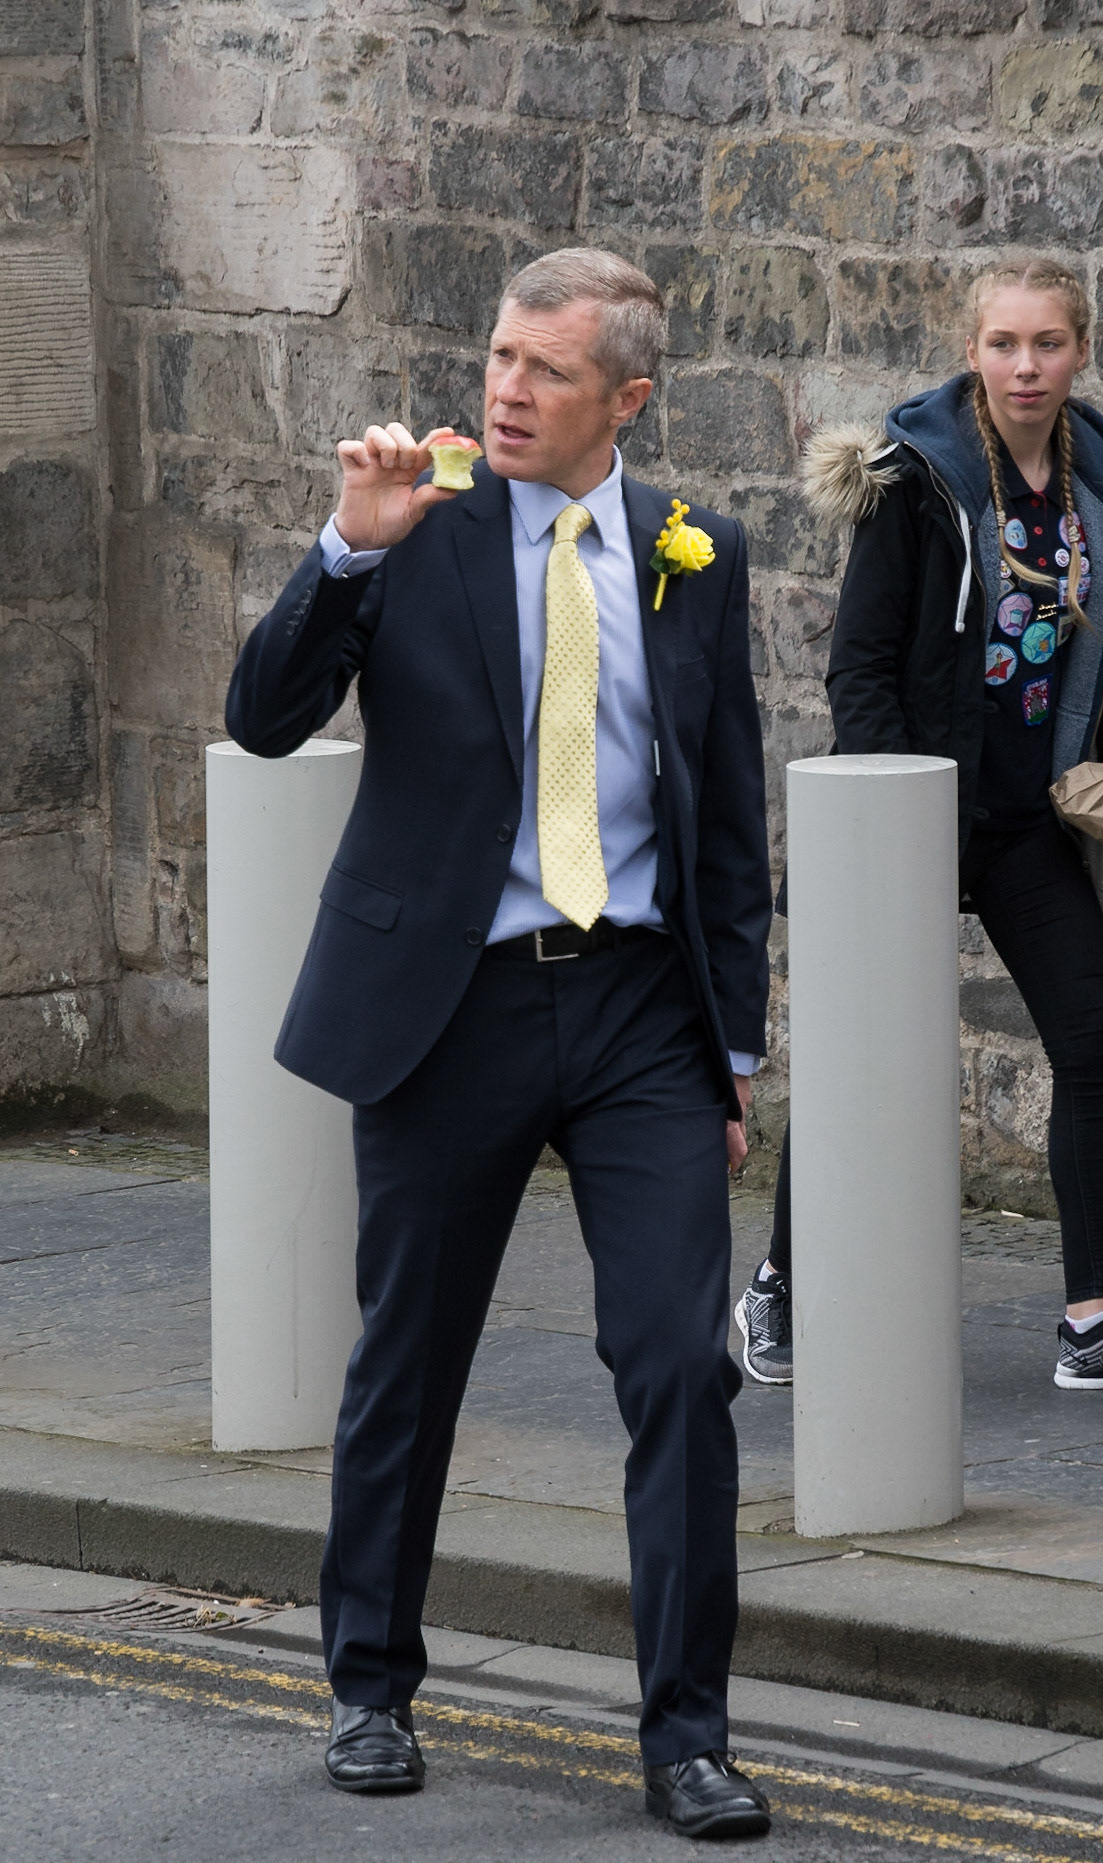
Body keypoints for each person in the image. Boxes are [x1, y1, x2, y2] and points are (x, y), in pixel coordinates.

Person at [226, 248, 774, 1840]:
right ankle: (371, 1688)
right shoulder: (416, 529)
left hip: (637, 1012)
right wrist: (343, 547)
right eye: (497, 358)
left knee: (681, 1361)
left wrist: (731, 1043)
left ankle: (686, 1733)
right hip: (447, 1005)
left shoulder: (697, 552)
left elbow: (725, 814)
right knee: (411, 1357)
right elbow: (265, 715)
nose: (505, 389)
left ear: (629, 395)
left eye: (544, 369)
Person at [736, 258, 1103, 1395]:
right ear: (968, 350)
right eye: (1001, 345)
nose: (1023, 367)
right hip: (910, 810)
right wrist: (895, 805)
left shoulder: (1096, 491)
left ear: (1079, 351)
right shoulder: (915, 481)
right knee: (852, 1058)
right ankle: (780, 1284)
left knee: (1083, 1046)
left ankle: (1091, 1323)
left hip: (1030, 819)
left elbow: (1085, 654)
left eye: (1045, 345)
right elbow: (859, 668)